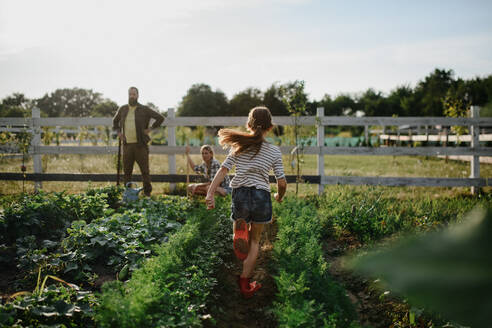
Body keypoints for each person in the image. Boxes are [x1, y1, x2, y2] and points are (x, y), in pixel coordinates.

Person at [205, 106, 287, 298]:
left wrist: (210, 193)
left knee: (242, 228)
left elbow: (223, 171)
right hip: (261, 195)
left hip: (240, 193)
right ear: (270, 126)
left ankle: (239, 232)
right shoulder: (274, 151)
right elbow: (281, 182)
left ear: (248, 124)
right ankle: (244, 282)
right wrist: (279, 196)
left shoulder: (239, 146)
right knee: (256, 242)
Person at [112, 87, 164, 197]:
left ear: (137, 95)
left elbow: (160, 118)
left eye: (134, 94)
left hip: (141, 145)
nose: (132, 96)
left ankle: (147, 194)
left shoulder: (144, 109)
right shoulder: (123, 109)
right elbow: (115, 121)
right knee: (127, 172)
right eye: (130, 94)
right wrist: (118, 133)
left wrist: (150, 128)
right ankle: (128, 194)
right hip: (127, 145)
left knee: (145, 171)